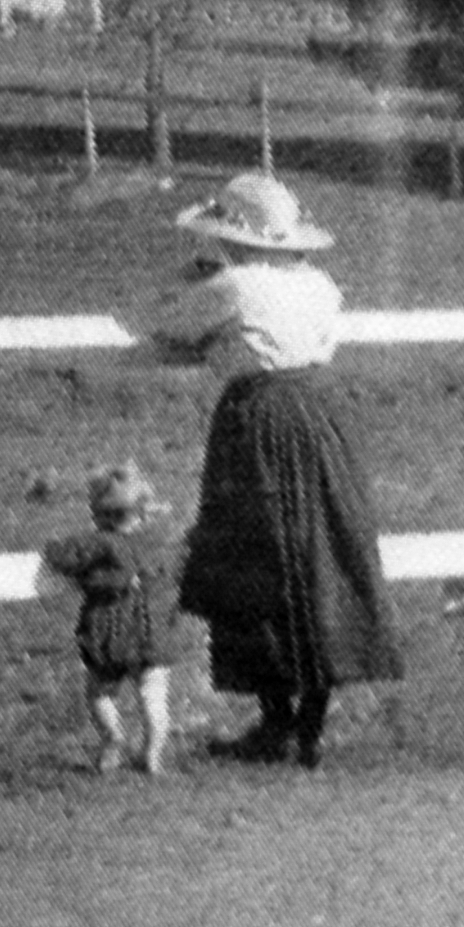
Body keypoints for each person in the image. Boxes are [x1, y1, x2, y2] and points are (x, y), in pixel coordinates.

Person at [151, 172, 402, 769]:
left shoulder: (231, 285)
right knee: (323, 554)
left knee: (256, 559)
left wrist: (191, 280)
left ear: (231, 238)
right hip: (320, 416)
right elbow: (324, 340)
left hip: (260, 421)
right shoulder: (318, 284)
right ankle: (305, 727)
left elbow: (166, 328)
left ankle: (277, 722)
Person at [35, 461, 182, 776]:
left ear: (98, 515)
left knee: (100, 692)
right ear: (143, 512)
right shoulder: (159, 545)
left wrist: (50, 546)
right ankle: (153, 753)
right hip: (152, 635)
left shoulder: (99, 543)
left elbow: (60, 556)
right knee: (153, 697)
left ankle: (113, 736)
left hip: (109, 636)